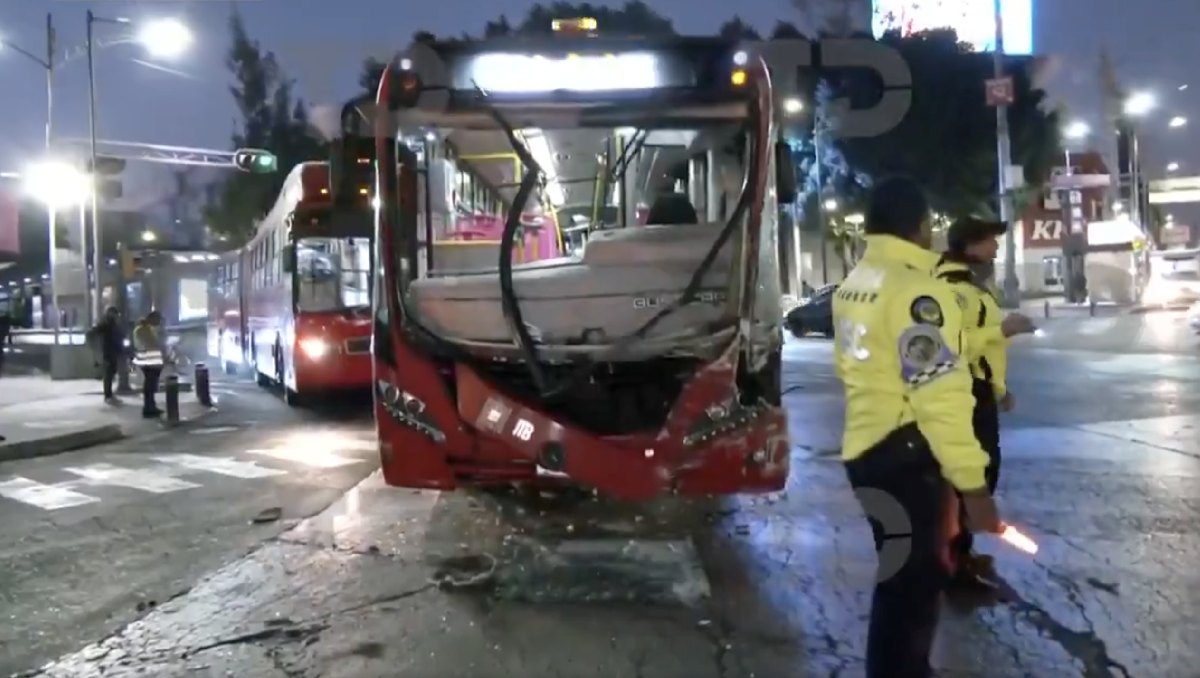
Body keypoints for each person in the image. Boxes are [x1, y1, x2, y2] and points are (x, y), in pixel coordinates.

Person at [832, 176, 1003, 678]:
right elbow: (940, 396)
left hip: (866, 450)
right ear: (921, 227)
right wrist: (973, 484)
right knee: (915, 583)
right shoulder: (916, 294)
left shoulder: (856, 283)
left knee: (900, 578)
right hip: (904, 456)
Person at [936, 217, 1035, 588]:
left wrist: (998, 387)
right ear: (971, 246)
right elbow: (949, 347)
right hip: (962, 394)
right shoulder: (950, 289)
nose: (996, 247)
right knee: (970, 478)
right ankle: (954, 563)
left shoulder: (974, 286)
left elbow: (983, 348)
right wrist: (1002, 330)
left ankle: (960, 553)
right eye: (991, 241)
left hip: (978, 391)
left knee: (980, 475)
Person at [87, 306, 126, 403]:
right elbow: (92, 332)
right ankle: (108, 395)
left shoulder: (112, 324)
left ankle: (109, 395)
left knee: (111, 374)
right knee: (108, 375)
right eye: (114, 313)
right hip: (109, 352)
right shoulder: (106, 324)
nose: (116, 316)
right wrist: (95, 347)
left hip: (113, 352)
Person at [131, 311, 167, 418]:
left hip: (152, 360)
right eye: (158, 319)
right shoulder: (143, 329)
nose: (159, 322)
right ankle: (148, 407)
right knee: (150, 385)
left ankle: (151, 406)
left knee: (151, 384)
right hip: (148, 360)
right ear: (152, 318)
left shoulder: (148, 328)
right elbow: (152, 343)